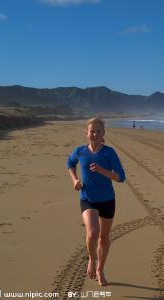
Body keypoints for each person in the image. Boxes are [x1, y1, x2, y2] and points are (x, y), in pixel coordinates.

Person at [67, 117, 126, 286]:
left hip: (107, 199)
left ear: (103, 134)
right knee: (92, 233)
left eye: (98, 131)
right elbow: (69, 163)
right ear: (87, 133)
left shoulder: (109, 153)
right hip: (88, 199)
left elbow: (120, 177)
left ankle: (100, 269)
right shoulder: (80, 151)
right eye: (92, 131)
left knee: (104, 238)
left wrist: (102, 171)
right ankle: (92, 259)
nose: (95, 134)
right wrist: (74, 180)